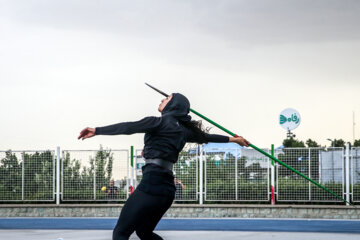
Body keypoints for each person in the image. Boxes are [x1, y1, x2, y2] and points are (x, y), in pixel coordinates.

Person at [78, 93, 250, 240]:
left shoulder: (157, 123)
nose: (162, 100)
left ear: (174, 105)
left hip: (151, 185)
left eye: (167, 98)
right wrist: (234, 139)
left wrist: (97, 130)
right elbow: (206, 137)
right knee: (144, 232)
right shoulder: (183, 131)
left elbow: (128, 127)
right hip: (167, 190)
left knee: (120, 233)